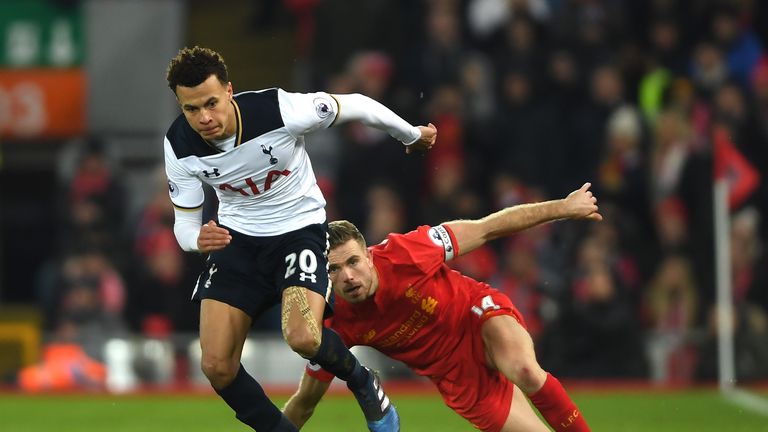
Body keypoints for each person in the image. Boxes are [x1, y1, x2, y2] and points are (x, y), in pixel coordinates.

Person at [163, 46, 437, 432]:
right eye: (191, 109)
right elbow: (184, 224)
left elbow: (355, 104)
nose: (204, 118)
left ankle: (363, 382)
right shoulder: (178, 145)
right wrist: (196, 239)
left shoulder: (278, 110)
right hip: (237, 241)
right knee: (216, 367)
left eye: (211, 103)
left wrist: (409, 134)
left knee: (304, 337)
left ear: (229, 90)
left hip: (298, 232)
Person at [283, 183, 601, 432]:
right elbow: (305, 402)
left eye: (353, 261)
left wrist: (563, 207)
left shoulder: (406, 252)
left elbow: (487, 227)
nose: (348, 276)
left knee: (525, 370)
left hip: (476, 317)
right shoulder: (332, 324)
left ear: (368, 256)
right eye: (334, 269)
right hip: (457, 378)